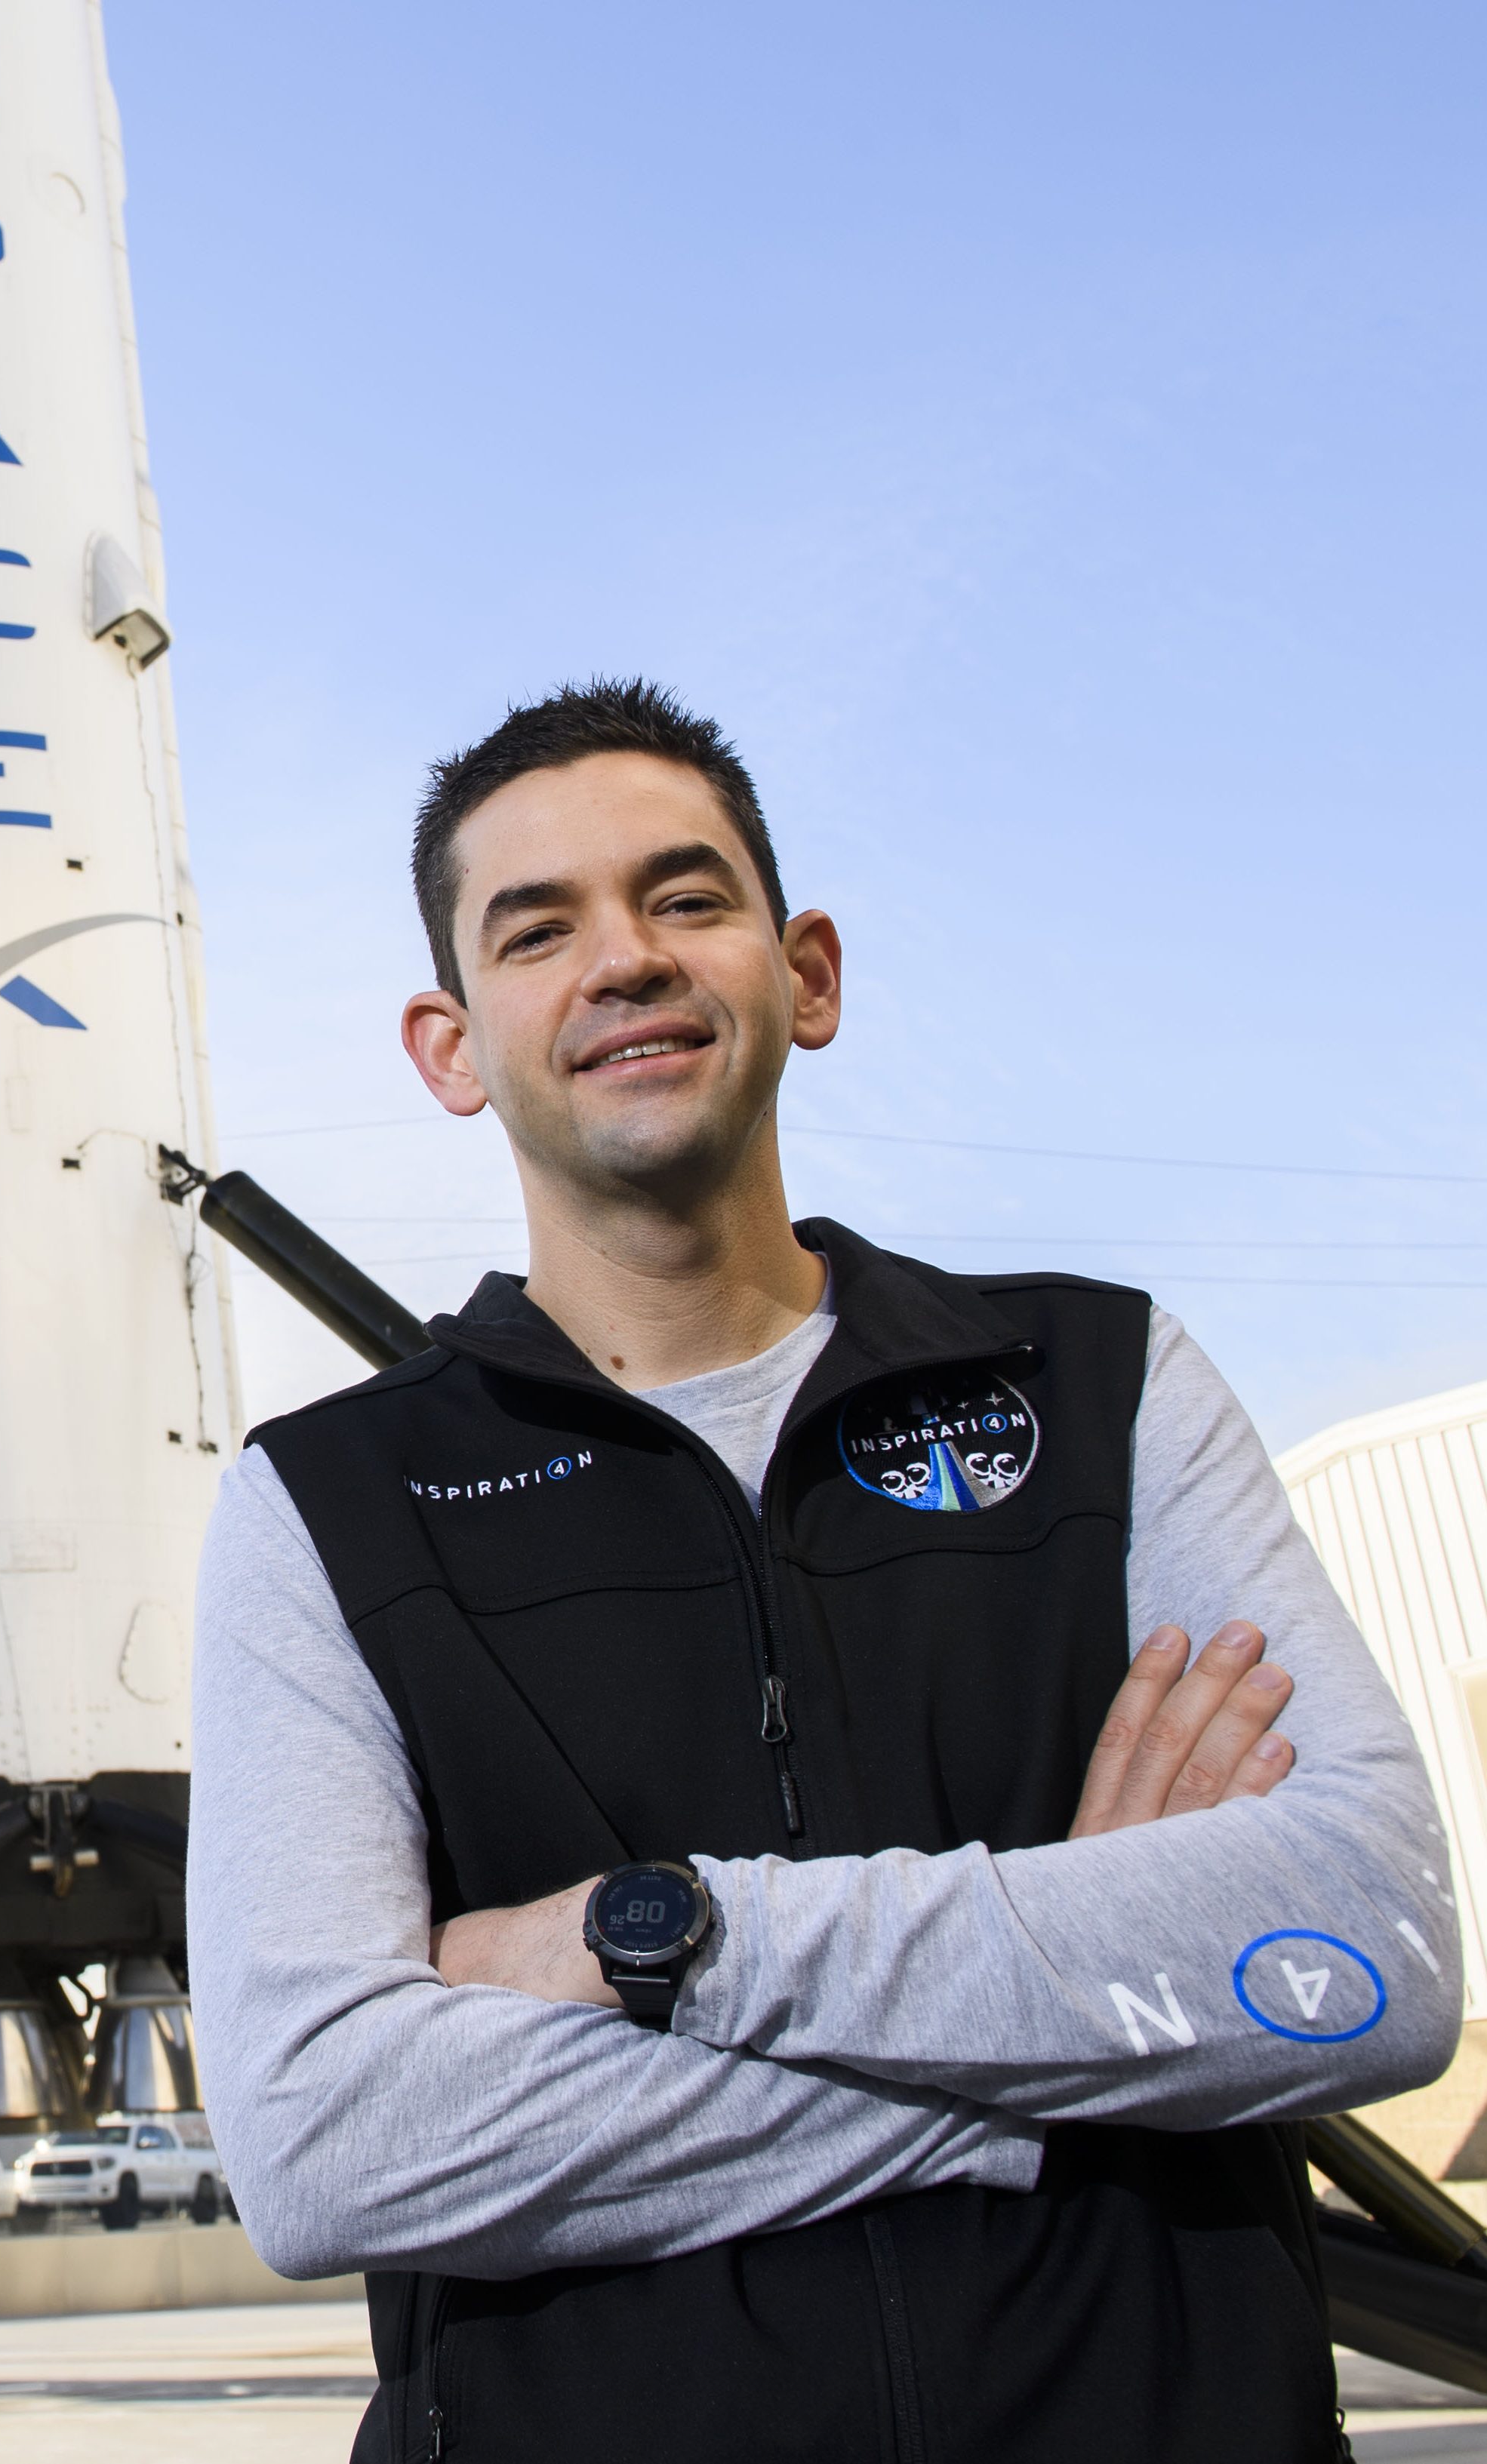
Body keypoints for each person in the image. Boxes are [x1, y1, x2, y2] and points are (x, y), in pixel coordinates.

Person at [188, 680, 1459, 2464]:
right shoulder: (327, 1502)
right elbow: (324, 2140)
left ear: (809, 977)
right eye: (537, 930)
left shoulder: (1097, 1385)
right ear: (450, 1045)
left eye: (684, 899)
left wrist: (661, 1940)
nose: (622, 959)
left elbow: (1367, 1948)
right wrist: (1073, 2009)